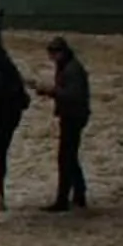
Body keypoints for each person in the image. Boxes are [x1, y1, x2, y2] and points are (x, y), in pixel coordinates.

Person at [37, 36, 91, 211]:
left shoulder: (71, 70)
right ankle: (79, 193)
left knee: (65, 157)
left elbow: (71, 95)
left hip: (73, 116)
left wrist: (50, 90)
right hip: (73, 115)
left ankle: (63, 199)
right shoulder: (69, 66)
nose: (51, 58)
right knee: (70, 156)